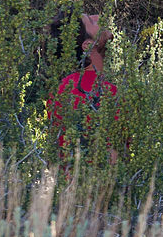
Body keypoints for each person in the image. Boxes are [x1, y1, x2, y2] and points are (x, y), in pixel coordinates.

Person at [46, 11, 118, 160]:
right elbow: (117, 155)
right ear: (88, 45)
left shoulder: (60, 89)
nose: (97, 16)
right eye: (91, 22)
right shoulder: (110, 93)